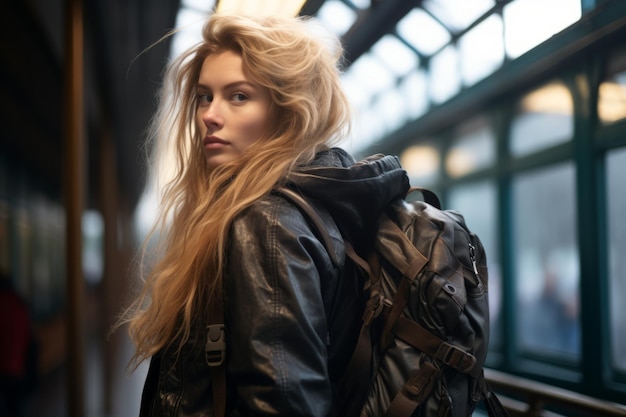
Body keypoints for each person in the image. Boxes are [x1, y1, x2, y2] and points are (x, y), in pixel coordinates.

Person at [123, 13, 409, 417]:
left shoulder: (266, 224)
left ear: (288, 110)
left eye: (238, 96)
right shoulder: (319, 204)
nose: (210, 115)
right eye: (205, 96)